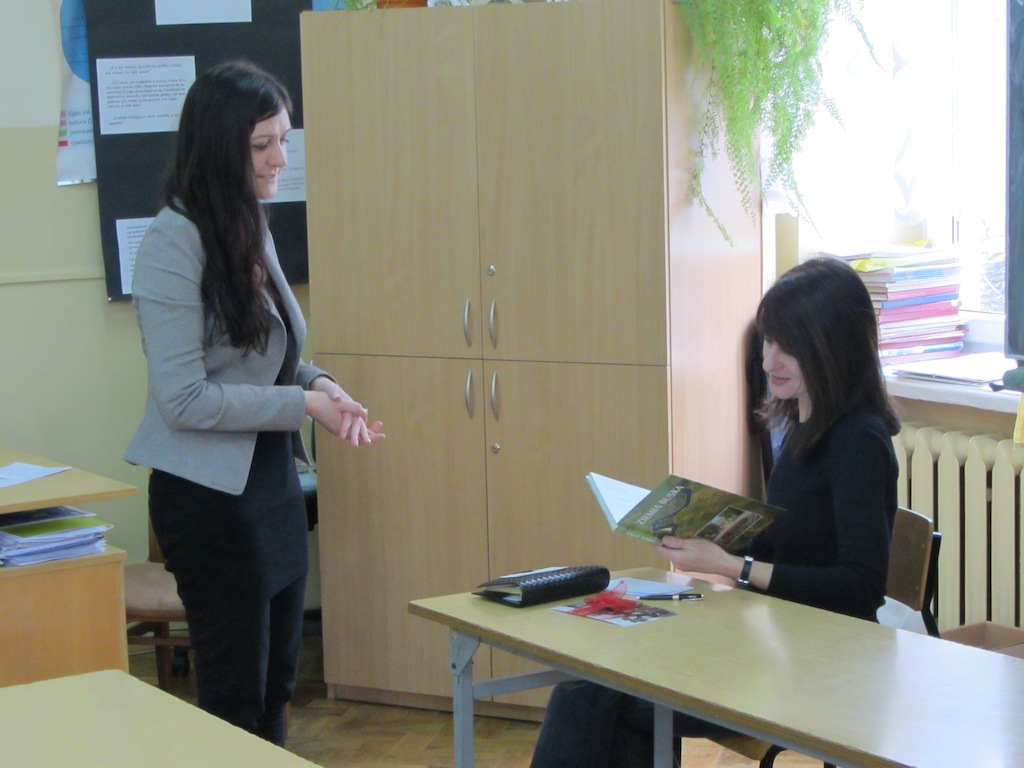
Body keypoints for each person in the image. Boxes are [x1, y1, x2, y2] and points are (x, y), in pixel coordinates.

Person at [529, 256, 900, 768]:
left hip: (825, 663)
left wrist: (731, 566)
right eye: (768, 341)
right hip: (776, 635)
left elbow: (859, 589)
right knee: (597, 681)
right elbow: (784, 544)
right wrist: (707, 533)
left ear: (833, 346)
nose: (770, 361)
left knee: (603, 695)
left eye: (788, 346)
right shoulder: (801, 421)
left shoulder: (859, 442)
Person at [124, 59, 384, 747]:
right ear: (219, 145)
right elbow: (184, 399)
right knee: (234, 696)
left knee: (275, 686)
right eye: (262, 145)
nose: (280, 159)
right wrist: (301, 407)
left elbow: (268, 359)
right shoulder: (171, 244)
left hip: (269, 487)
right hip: (207, 501)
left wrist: (320, 385)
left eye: (285, 139)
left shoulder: (248, 224)